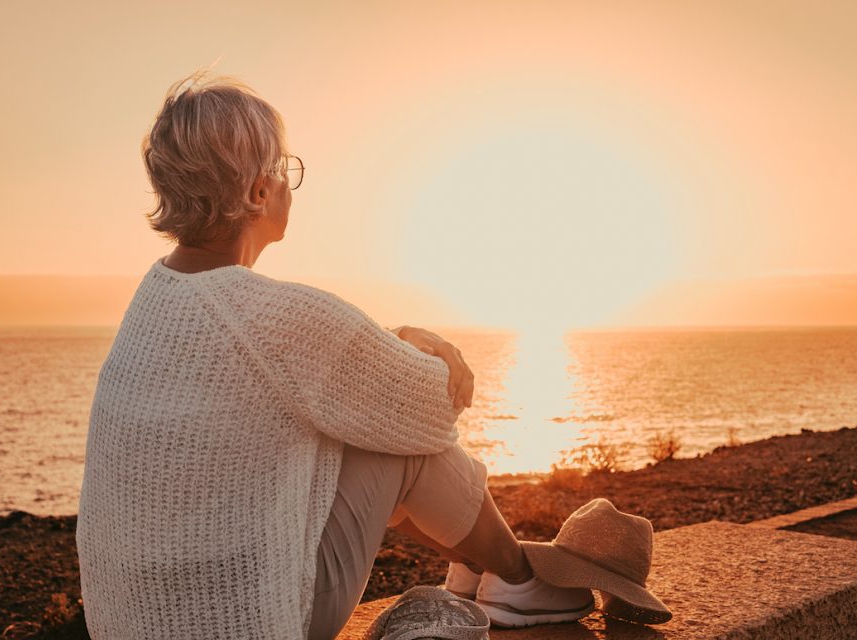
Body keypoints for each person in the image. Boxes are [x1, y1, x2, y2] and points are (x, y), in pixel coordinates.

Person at [75, 70, 593, 640]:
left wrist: (387, 340)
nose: (289, 185)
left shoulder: (154, 300)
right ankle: (518, 579)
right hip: (251, 623)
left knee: (351, 423)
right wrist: (420, 342)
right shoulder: (270, 316)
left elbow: (313, 376)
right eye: (284, 170)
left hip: (131, 623)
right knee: (408, 446)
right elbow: (431, 408)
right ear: (257, 192)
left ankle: (478, 568)